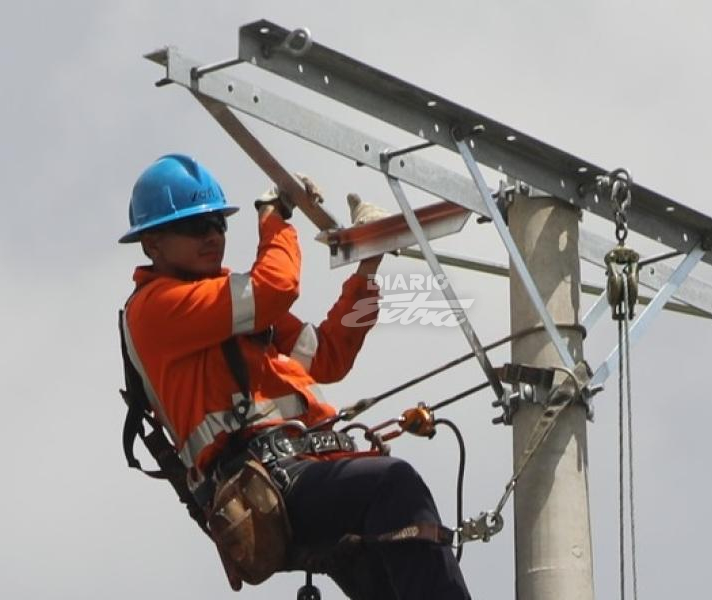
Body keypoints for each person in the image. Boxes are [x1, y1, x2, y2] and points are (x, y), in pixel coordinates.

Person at [118, 154, 471, 599]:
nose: (211, 236)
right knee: (394, 486)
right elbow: (277, 286)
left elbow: (327, 356)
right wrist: (275, 217)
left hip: (306, 472)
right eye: (194, 227)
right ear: (152, 244)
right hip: (264, 483)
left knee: (391, 562)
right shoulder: (155, 309)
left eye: (218, 225)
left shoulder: (231, 304)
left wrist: (368, 268)